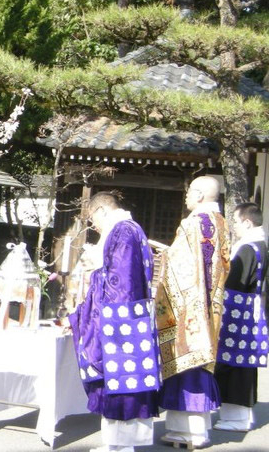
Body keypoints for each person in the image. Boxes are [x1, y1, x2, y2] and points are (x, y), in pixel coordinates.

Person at [70, 192, 160, 452]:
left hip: (119, 321)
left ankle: (119, 445)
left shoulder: (122, 232)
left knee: (119, 382)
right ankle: (117, 443)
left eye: (92, 219)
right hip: (131, 317)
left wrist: (94, 306)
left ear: (102, 210)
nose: (94, 226)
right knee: (126, 382)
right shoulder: (133, 230)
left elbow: (120, 281)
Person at [156, 175, 230, 449]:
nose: (186, 197)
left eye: (189, 192)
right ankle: (197, 430)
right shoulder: (221, 224)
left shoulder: (191, 225)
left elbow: (182, 267)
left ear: (199, 195)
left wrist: (164, 257)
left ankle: (183, 432)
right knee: (201, 361)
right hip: (211, 307)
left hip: (188, 305)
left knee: (184, 360)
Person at [213, 202, 269, 432]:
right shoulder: (259, 244)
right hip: (248, 310)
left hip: (238, 312)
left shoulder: (248, 247)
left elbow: (235, 282)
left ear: (247, 222)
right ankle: (239, 415)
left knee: (234, 362)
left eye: (236, 221)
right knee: (243, 363)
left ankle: (236, 417)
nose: (234, 226)